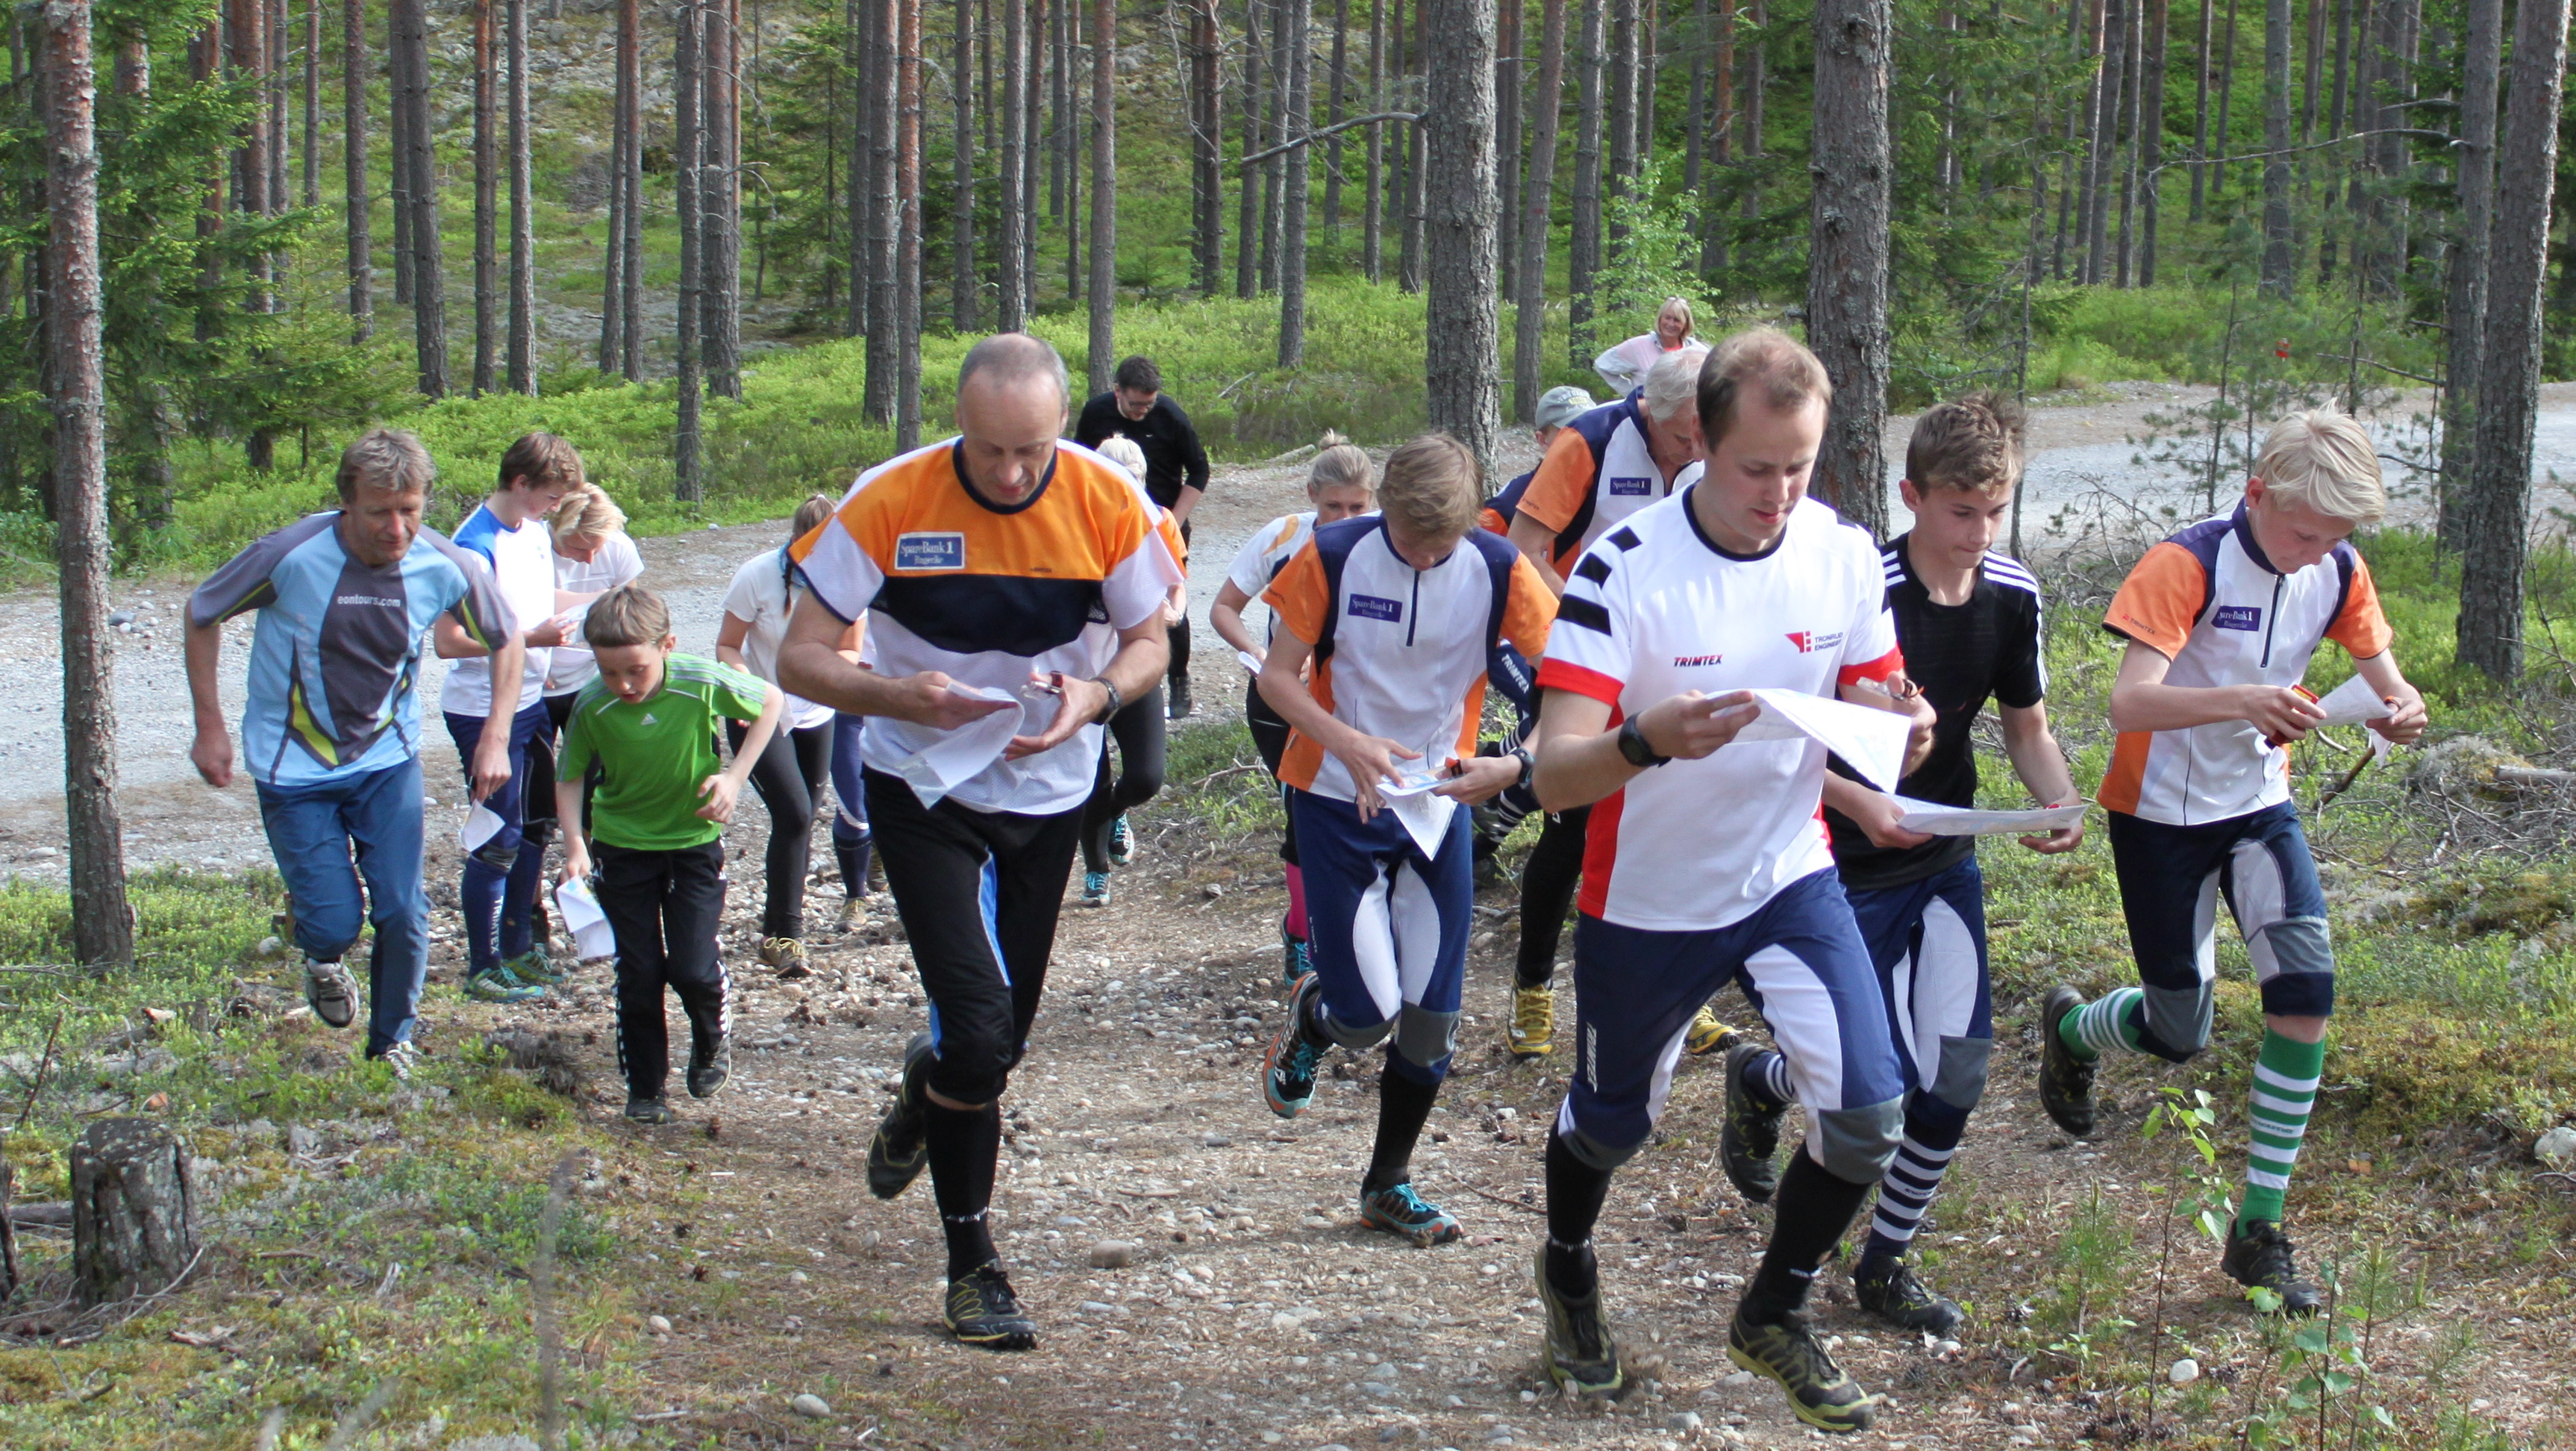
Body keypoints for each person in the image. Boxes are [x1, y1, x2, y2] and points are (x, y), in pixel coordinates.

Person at [1523, 329, 1932, 1432]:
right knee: (1612, 1126)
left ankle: (1774, 1310)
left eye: (1802, 466)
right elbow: (1557, 777)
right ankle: (1567, 1266)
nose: (1781, 493)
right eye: (1759, 467)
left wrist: (1909, 726)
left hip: (1787, 873)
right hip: (1646, 898)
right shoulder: (1622, 569)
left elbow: (1878, 699)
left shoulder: (1842, 554)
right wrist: (1646, 741)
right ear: (1700, 441)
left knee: (1869, 1112)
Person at [775, 333, 1182, 1351]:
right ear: (959, 425)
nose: (1009, 473)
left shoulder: (1106, 499)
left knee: (995, 1044)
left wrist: (1100, 692)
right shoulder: (888, 498)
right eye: (989, 450)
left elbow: (1151, 639)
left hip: (1050, 786)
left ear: (1061, 428)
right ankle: (974, 1266)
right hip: (923, 782)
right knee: (977, 1021)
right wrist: (891, 693)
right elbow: (800, 657)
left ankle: (930, 1084)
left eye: (1030, 451)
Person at [2039, 409, 2427, 1315]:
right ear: (2255, 495)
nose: (2316, 551)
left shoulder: (2334, 566)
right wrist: (2241, 699)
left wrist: (2400, 710)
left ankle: (2258, 1231)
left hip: (2258, 809)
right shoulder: (2188, 562)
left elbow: (2384, 676)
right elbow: (2127, 705)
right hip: (2158, 818)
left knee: (2305, 995)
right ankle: (2069, 1031)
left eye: (2336, 537)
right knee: (2180, 1032)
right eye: (2302, 532)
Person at [1719, 392, 2083, 1337]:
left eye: (1993, 511)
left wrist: (2055, 798)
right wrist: (1858, 804)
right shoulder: (1857, 587)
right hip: (1825, 864)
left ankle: (1884, 1261)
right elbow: (1777, 734)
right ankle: (1759, 1083)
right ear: (1911, 496)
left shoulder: (2011, 593)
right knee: (1862, 1077)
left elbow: (2025, 727)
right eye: (1959, 511)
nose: (1977, 531)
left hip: (1941, 856)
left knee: (1955, 1071)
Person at [1254, 432, 1555, 1248]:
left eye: (1442, 545)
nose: (1426, 560)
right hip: (1332, 796)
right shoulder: (1332, 555)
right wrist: (1343, 740)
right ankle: (1317, 1019)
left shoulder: (1496, 569)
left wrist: (1516, 763)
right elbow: (1275, 677)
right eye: (1411, 543)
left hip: (1434, 801)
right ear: (1383, 509)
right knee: (1366, 1020)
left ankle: (1387, 1184)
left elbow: (1569, 683)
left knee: (1430, 1021)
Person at [185, 429, 522, 1076]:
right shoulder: (290, 555)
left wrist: (496, 735)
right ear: (348, 504)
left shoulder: (447, 565)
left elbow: (505, 638)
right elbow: (202, 612)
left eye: (410, 510)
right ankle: (321, 955)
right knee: (337, 921)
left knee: (403, 907)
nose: (396, 528)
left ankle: (391, 1043)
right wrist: (210, 727)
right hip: (292, 765)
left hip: (386, 760)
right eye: (379, 512)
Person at [1494, 354, 1715, 1058]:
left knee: (1675, 818)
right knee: (1572, 829)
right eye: (1684, 438)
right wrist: (1598, 633)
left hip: (1674, 661)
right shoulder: (1587, 442)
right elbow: (1522, 551)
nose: (1696, 450)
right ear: (1650, 409)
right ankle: (1533, 989)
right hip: (1584, 657)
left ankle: (1680, 993)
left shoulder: (1715, 448)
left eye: (1706, 436)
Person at [555, 585, 784, 1123]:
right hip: (622, 847)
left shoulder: (700, 682)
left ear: (668, 645)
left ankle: (710, 1040)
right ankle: (645, 1089)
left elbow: (771, 700)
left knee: (692, 967)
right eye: (610, 672)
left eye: (635, 669)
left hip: (693, 845)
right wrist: (574, 844)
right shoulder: (592, 703)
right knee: (638, 972)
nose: (624, 684)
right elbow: (569, 777)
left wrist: (734, 777)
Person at [1210, 433, 1378, 982]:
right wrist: (1262, 656)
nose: (1345, 517)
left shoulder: (1385, 543)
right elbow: (1224, 609)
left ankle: (1356, 928)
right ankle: (1302, 937)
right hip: (1280, 698)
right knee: (1302, 810)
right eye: (1333, 506)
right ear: (1312, 496)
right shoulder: (1282, 536)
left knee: (1360, 809)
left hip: (1354, 700)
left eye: (1358, 506)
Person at [436, 433, 589, 1005]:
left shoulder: (533, 534)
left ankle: (521, 949)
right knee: (495, 837)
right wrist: (533, 639)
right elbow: (449, 641)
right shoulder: (474, 546)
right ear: (520, 483)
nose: (554, 509)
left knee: (534, 827)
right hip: (480, 709)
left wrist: (603, 605)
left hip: (530, 701)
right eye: (548, 498)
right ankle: (482, 965)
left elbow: (537, 600)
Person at [719, 495, 865, 975]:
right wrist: (749, 687)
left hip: (814, 710)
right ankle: (786, 936)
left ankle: (780, 926)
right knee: (795, 811)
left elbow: (850, 652)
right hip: (755, 711)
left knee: (802, 820)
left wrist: (824, 673)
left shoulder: (849, 579)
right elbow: (726, 645)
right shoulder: (757, 575)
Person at [523, 483, 643, 943]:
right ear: (558, 531)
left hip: (593, 680)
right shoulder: (534, 549)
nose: (590, 561)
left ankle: (596, 888)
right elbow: (521, 612)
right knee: (536, 799)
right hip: (539, 681)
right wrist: (540, 665)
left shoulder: (617, 549)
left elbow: (627, 621)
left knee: (599, 790)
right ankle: (531, 908)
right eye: (579, 550)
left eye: (597, 550)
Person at [1073, 434, 1187, 908]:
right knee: (1089, 780)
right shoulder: (1075, 526)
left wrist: (1174, 614)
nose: (1127, 491)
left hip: (1136, 668)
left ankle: (1116, 812)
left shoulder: (1159, 522)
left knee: (1145, 778)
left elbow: (1177, 584)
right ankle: (1096, 871)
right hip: (1084, 672)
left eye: (1135, 481)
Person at [1072, 354, 1210, 718]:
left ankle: (1178, 677)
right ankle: (1109, 676)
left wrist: (1173, 521)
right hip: (1108, 522)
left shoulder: (1170, 415)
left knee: (1165, 602)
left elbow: (1199, 470)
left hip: (1161, 520)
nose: (1142, 411)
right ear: (1118, 392)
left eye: (1149, 404)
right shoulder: (1096, 413)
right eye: (1135, 404)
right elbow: (1076, 465)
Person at [1591, 296, 1699, 397]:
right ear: (1660, 319)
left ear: (1686, 324)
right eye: (1667, 318)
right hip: (1646, 414)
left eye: (1677, 320)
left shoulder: (1697, 351)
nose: (1671, 324)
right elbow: (1602, 365)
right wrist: (1632, 394)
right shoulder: (1638, 346)